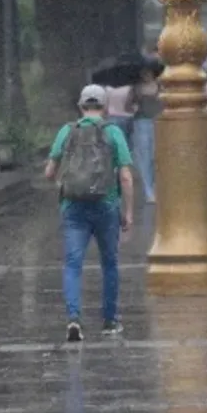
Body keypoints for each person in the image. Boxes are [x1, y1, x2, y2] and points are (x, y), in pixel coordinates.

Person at [46, 84, 135, 342]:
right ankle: (109, 320)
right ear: (105, 107)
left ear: (81, 106)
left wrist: (61, 180)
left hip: (73, 206)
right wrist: (128, 212)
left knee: (73, 264)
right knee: (109, 262)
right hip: (106, 205)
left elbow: (50, 172)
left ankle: (74, 318)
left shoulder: (67, 131)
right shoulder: (113, 132)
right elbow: (126, 177)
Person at [127, 65, 161, 204]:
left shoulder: (161, 86)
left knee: (155, 156)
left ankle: (155, 186)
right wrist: (133, 107)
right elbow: (127, 106)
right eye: (143, 72)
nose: (145, 75)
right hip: (141, 122)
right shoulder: (136, 89)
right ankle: (149, 190)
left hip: (158, 122)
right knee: (144, 157)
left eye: (148, 72)